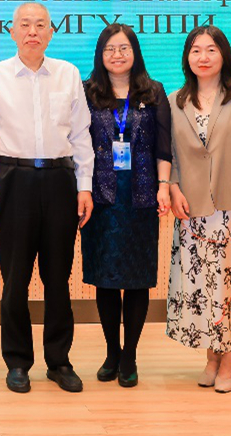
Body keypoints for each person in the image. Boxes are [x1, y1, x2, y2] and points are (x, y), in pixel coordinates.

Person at [0, 2, 94, 394]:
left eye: (40, 25)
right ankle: (18, 362)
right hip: (13, 180)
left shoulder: (68, 73)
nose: (32, 32)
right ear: (12, 31)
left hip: (60, 180)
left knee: (58, 278)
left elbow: (81, 135)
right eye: (25, 25)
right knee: (15, 278)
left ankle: (59, 361)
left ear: (51, 32)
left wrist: (85, 185)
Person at [166, 25, 231, 394]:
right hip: (191, 209)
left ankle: (230, 361)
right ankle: (211, 357)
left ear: (224, 55)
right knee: (203, 288)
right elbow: (170, 154)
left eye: (211, 50)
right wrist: (173, 188)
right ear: (187, 57)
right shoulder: (175, 101)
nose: (203, 57)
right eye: (196, 50)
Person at [80, 24, 171, 389]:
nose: (117, 55)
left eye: (124, 48)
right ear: (100, 55)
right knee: (105, 279)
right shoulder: (87, 92)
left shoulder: (153, 91)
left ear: (135, 52)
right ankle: (111, 352)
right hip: (100, 197)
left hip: (141, 196)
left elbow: (163, 145)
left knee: (136, 279)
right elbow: (78, 144)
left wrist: (164, 186)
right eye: (109, 49)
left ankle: (130, 354)